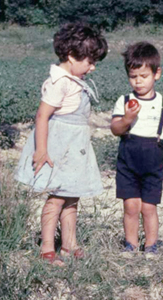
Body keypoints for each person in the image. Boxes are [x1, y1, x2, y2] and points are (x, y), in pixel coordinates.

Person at [14, 21, 108, 265]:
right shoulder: (59, 82)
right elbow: (42, 116)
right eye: (89, 61)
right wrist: (41, 150)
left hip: (74, 148)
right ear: (71, 56)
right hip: (59, 148)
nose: (92, 67)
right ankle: (47, 247)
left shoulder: (73, 80)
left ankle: (69, 244)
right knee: (56, 198)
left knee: (72, 196)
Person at [110, 42, 163, 259]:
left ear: (157, 74)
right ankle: (130, 244)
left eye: (143, 76)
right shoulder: (124, 101)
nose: (138, 81)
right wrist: (127, 118)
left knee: (149, 207)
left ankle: (151, 245)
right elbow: (115, 129)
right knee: (131, 206)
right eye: (133, 77)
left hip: (153, 158)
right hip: (128, 158)